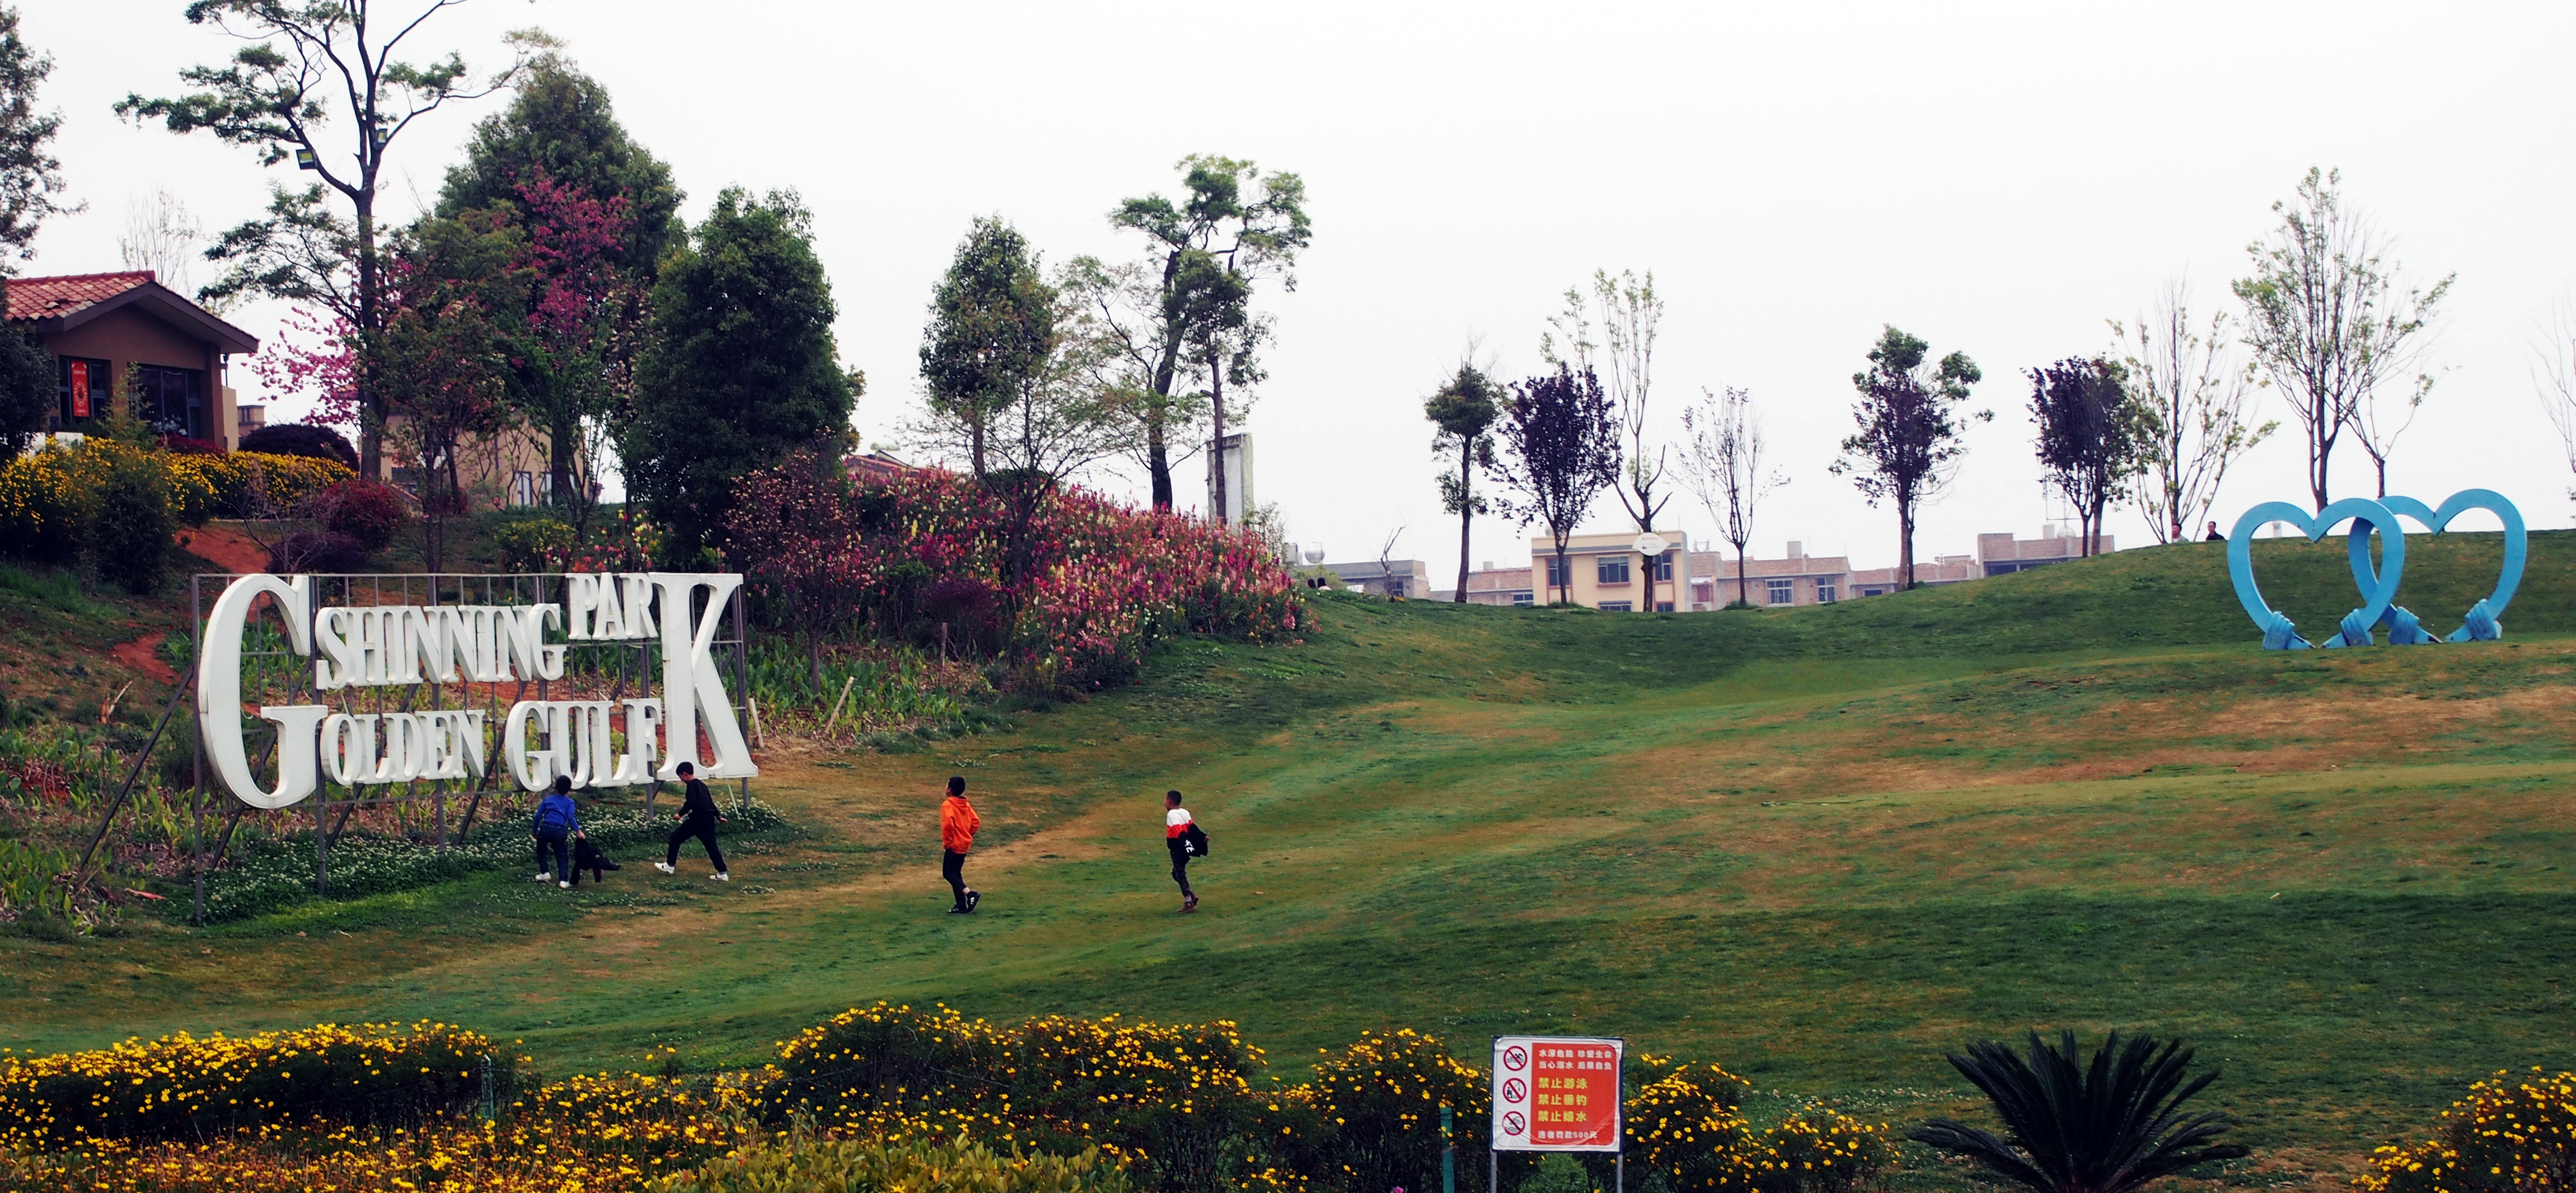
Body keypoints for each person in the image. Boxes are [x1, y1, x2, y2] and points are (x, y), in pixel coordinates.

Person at [654, 761, 729, 881]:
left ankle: (669, 866)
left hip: (697, 819)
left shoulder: (691, 786)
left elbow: (691, 803)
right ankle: (723, 873)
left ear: (684, 774)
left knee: (675, 838)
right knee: (711, 846)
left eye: (680, 777)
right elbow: (711, 803)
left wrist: (680, 814)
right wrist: (719, 816)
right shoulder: (703, 785)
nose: (681, 780)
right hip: (709, 819)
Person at [531, 774, 583, 890]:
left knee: (541, 850)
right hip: (560, 830)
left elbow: (538, 817)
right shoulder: (570, 803)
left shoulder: (548, 800)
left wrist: (535, 832)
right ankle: (563, 880)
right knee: (562, 855)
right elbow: (570, 817)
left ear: (556, 788)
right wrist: (578, 831)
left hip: (546, 828)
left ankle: (545, 872)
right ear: (569, 790)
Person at [940, 776, 980, 913]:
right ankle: (961, 904)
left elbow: (948, 826)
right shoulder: (965, 803)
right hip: (964, 844)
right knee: (956, 873)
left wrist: (947, 842)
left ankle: (970, 894)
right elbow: (975, 821)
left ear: (950, 790)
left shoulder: (948, 804)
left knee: (948, 873)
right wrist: (968, 835)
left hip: (954, 845)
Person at [1164, 790, 1199, 913]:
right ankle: (1191, 895)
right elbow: (1192, 829)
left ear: (1169, 801)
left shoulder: (1172, 815)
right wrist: (1202, 837)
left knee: (1179, 873)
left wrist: (1183, 845)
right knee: (1176, 874)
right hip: (1184, 847)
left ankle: (1188, 902)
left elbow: (1179, 831)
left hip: (1178, 848)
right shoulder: (1185, 812)